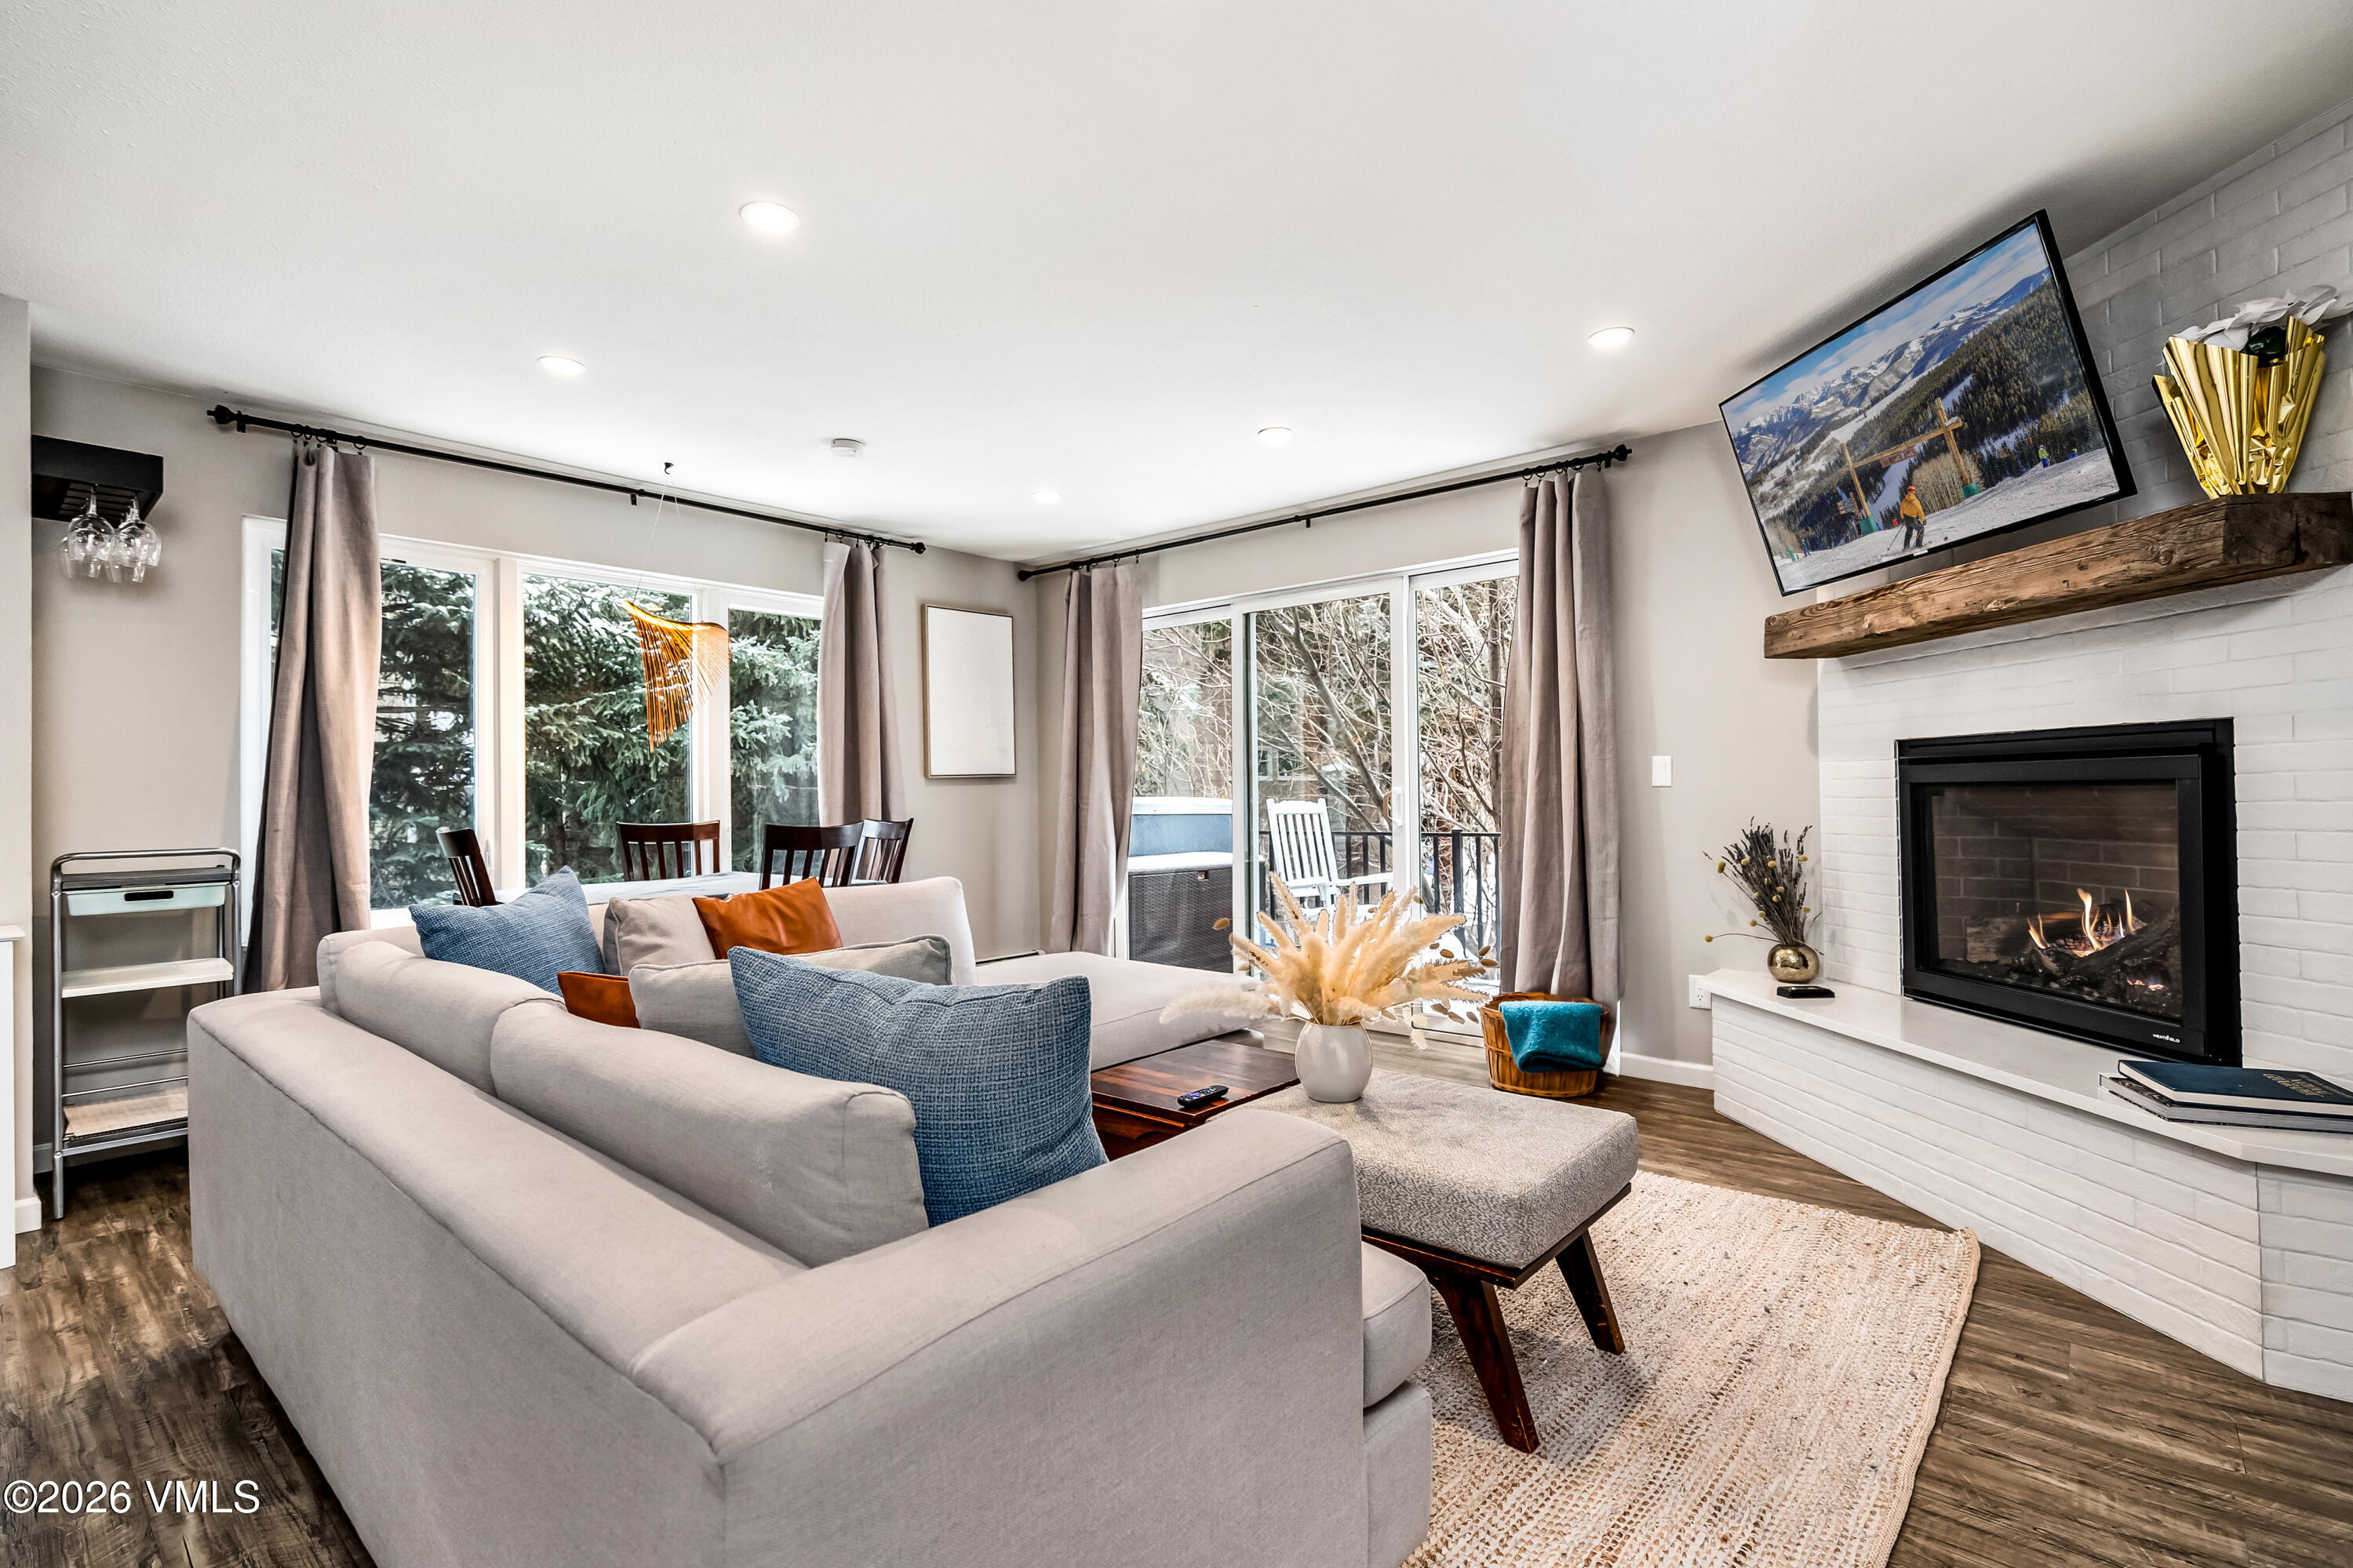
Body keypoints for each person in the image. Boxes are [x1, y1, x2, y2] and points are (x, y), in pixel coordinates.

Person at [1897, 482, 1927, 550]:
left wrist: (1903, 519)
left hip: (1906, 520)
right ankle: (1918, 545)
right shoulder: (1916, 501)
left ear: (1908, 492)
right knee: (1921, 529)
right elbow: (1920, 512)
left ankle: (1906, 548)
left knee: (1909, 533)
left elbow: (1901, 511)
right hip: (1913, 520)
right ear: (1914, 492)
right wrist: (1923, 520)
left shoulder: (1904, 501)